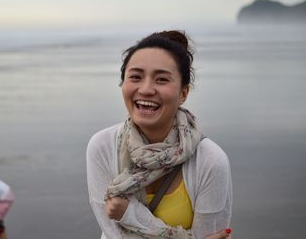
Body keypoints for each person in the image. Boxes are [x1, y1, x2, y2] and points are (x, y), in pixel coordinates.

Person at [86, 30, 233, 239]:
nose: (146, 89)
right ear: (122, 84)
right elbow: (114, 235)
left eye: (161, 80)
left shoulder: (210, 161)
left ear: (183, 93)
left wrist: (130, 214)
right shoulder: (102, 146)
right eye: (135, 77)